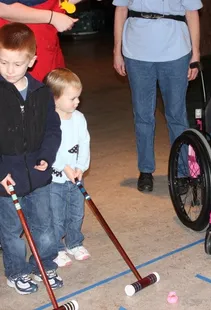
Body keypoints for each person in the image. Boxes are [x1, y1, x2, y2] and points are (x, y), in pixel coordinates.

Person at [113, 0, 202, 192]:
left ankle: (182, 172)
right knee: (143, 115)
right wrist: (116, 51)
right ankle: (145, 170)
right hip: (136, 52)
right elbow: (121, 10)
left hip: (176, 51)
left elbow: (192, 13)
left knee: (176, 115)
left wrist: (195, 55)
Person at [0, 23, 62, 294]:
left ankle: (43, 265)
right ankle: (15, 271)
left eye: (17, 63)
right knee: (12, 232)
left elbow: (52, 129)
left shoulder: (41, 93)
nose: (9, 69)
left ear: (32, 61)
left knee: (45, 227)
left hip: (38, 175)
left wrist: (47, 157)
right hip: (6, 178)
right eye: (2, 61)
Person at [45, 68, 91, 267]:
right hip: (54, 180)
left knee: (76, 212)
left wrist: (81, 166)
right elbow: (47, 150)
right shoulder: (48, 122)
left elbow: (84, 143)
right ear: (55, 98)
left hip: (75, 177)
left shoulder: (79, 118)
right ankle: (56, 248)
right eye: (72, 98)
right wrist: (64, 167)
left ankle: (74, 243)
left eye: (78, 97)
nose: (77, 102)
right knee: (56, 216)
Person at [0, 0, 80, 81]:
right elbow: (2, 8)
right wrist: (52, 17)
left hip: (47, 37)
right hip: (22, 35)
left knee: (55, 85)